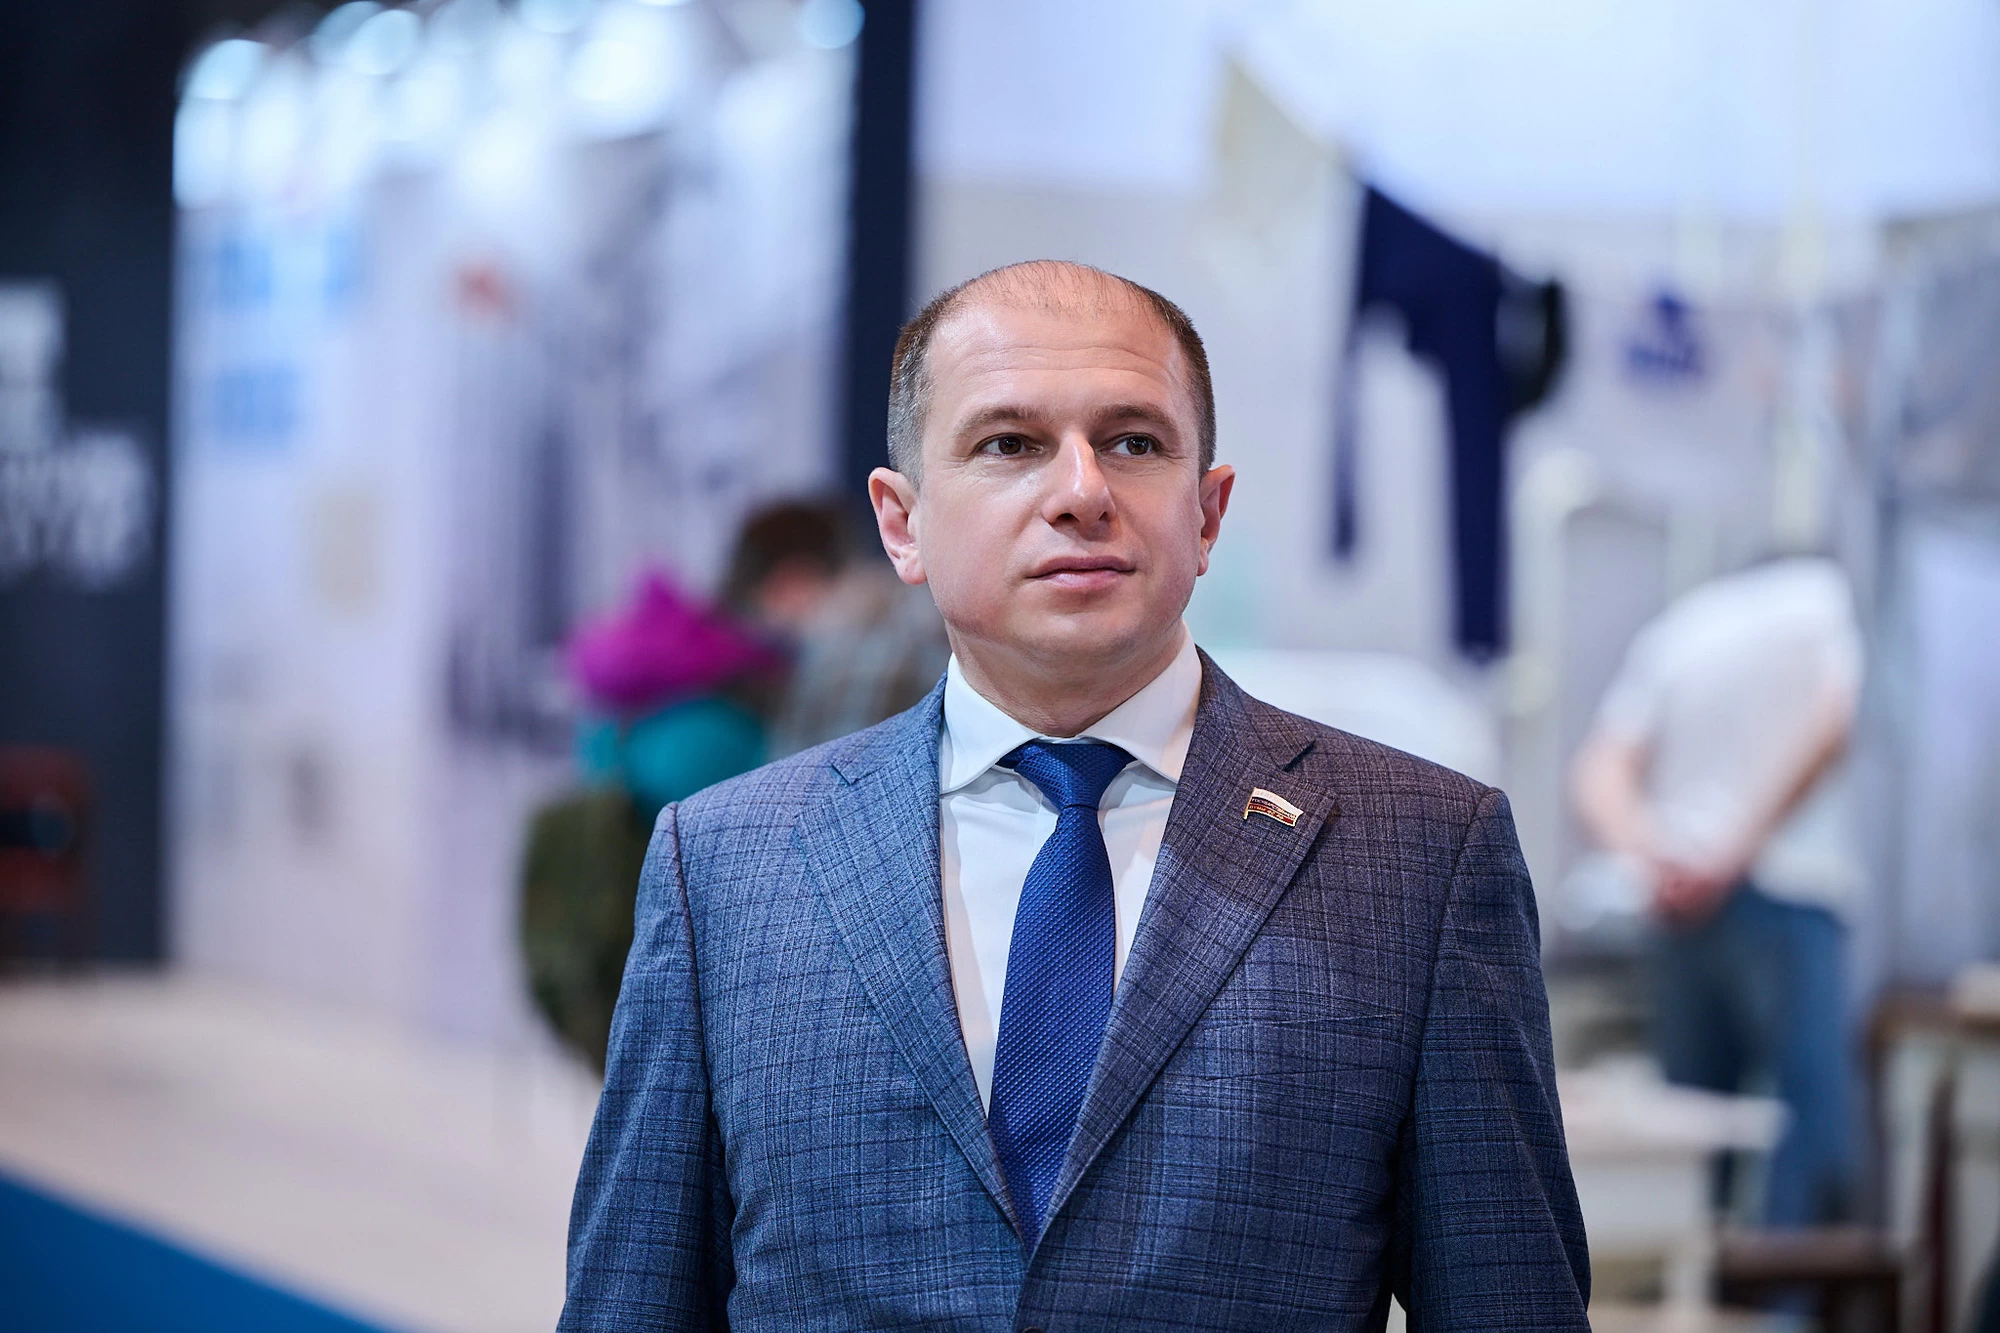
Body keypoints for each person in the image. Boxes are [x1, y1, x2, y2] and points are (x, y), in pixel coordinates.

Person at [561, 260, 1589, 1329]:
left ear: (1207, 513)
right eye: (1009, 444)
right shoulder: (726, 865)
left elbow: (1507, 1302)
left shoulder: (1420, 855)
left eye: (1133, 443)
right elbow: (632, 1301)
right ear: (902, 522)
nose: (1081, 491)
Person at [1570, 556, 1865, 1228]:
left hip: (1680, 905)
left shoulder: (1682, 627)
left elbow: (1598, 768)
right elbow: (1833, 726)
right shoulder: (1820, 599)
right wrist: (1734, 852)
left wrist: (1652, 857)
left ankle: (1698, 1278)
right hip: (1785, 892)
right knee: (1803, 1131)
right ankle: (1788, 1288)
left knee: (1695, 1143)